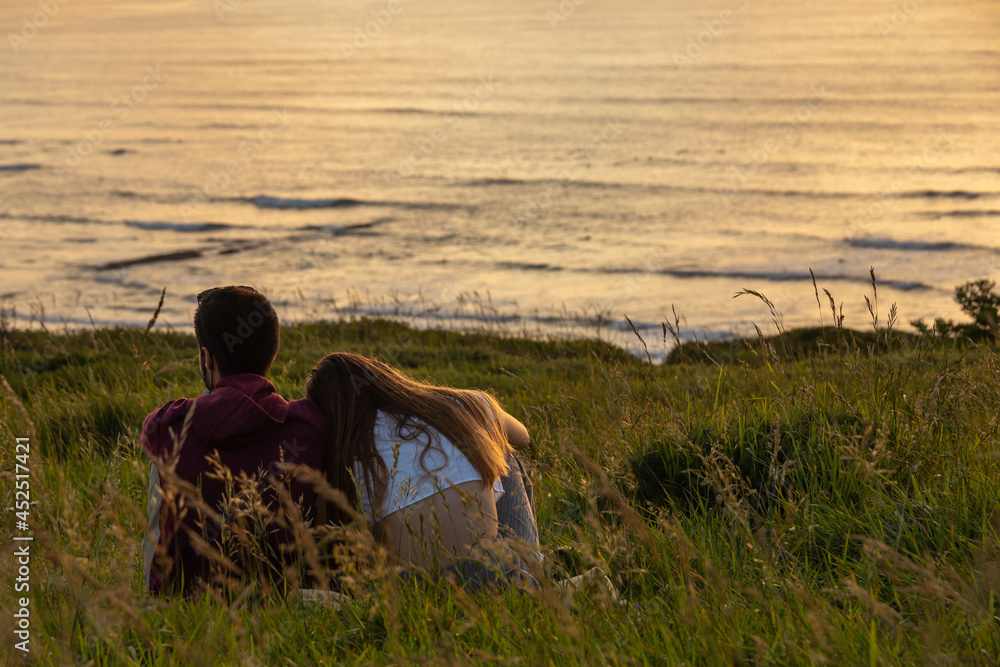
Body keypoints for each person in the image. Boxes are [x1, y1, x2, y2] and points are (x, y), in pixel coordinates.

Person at [141, 286, 327, 595]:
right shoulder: (309, 425)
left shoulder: (170, 424)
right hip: (287, 597)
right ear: (273, 350)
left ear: (207, 358)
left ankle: (157, 589)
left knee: (161, 461)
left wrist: (208, 402)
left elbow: (154, 431)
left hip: (186, 603)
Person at [305, 352, 540, 586]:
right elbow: (523, 438)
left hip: (410, 587)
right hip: (488, 575)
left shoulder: (348, 461)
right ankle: (535, 570)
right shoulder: (459, 406)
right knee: (503, 452)